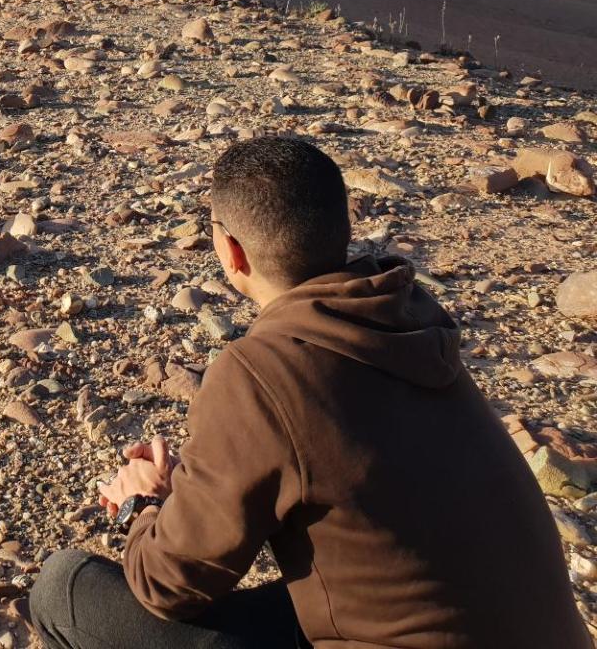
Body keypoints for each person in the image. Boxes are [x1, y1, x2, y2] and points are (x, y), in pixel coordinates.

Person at [29, 136, 589, 649]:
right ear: (340, 228)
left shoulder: (262, 371)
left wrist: (143, 506)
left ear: (231, 252)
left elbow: (169, 585)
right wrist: (197, 490)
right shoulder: (411, 321)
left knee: (62, 589)